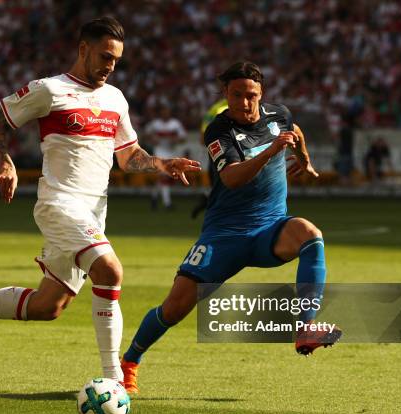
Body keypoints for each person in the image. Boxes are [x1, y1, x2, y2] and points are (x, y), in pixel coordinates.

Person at [0, 17, 201, 383]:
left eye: (116, 60)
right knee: (110, 271)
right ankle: (115, 381)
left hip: (94, 213)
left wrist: (160, 163)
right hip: (59, 204)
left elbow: (128, 157)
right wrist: (6, 161)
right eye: (104, 56)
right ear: (83, 50)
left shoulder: (115, 99)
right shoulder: (49, 90)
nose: (110, 65)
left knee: (48, 306)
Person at [121, 62, 342, 394]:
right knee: (175, 308)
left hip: (270, 229)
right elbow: (231, 178)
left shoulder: (277, 115)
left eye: (251, 95)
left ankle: (305, 328)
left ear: (261, 93)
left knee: (311, 235)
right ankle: (129, 362)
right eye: (236, 95)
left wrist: (305, 158)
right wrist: (272, 151)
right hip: (225, 236)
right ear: (225, 94)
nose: (244, 102)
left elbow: (294, 131)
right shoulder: (219, 130)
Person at [190, 98, 228, 219]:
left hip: (217, 153)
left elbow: (203, 135)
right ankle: (209, 202)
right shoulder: (222, 109)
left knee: (218, 184)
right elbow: (203, 135)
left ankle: (206, 199)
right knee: (223, 184)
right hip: (225, 152)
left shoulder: (215, 109)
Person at [144, 106, 187, 209]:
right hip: (159, 151)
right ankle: (167, 203)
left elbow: (183, 137)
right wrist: (152, 139)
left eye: (167, 112)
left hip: (171, 151)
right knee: (165, 175)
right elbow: (145, 134)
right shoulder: (155, 124)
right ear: (160, 113)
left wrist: (176, 140)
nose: (165, 114)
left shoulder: (175, 124)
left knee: (164, 177)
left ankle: (154, 197)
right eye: (163, 112)